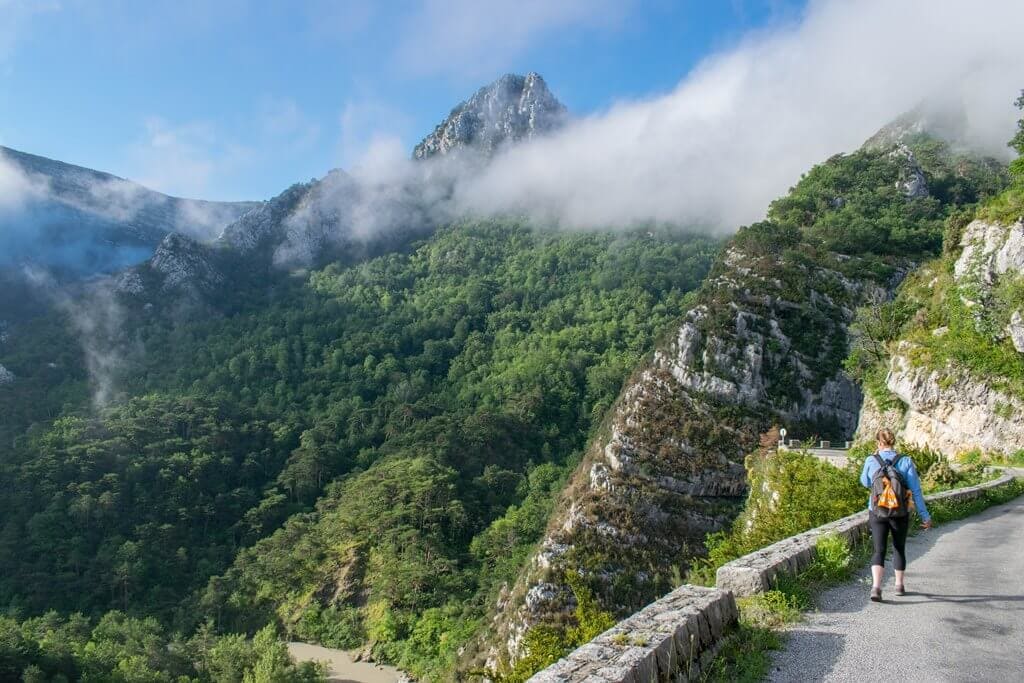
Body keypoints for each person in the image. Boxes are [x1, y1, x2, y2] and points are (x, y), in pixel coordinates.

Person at [859, 428, 931, 601]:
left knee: (879, 549)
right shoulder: (905, 461)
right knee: (899, 548)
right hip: (900, 511)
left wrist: (874, 461)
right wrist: (925, 515)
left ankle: (876, 587)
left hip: (877, 511)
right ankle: (899, 585)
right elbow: (916, 490)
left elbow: (865, 482)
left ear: (878, 442)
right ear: (893, 442)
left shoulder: (871, 460)